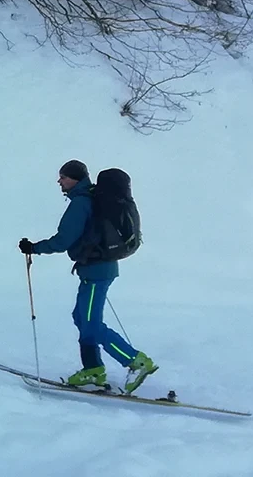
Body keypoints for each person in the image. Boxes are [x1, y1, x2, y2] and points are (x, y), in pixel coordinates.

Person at [20, 159, 157, 393]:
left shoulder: (82, 203)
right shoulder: (89, 199)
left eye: (63, 177)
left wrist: (34, 248)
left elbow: (64, 240)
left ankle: (136, 361)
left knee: (91, 325)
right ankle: (93, 369)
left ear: (75, 179)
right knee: (82, 318)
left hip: (97, 272)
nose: (59, 181)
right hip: (96, 269)